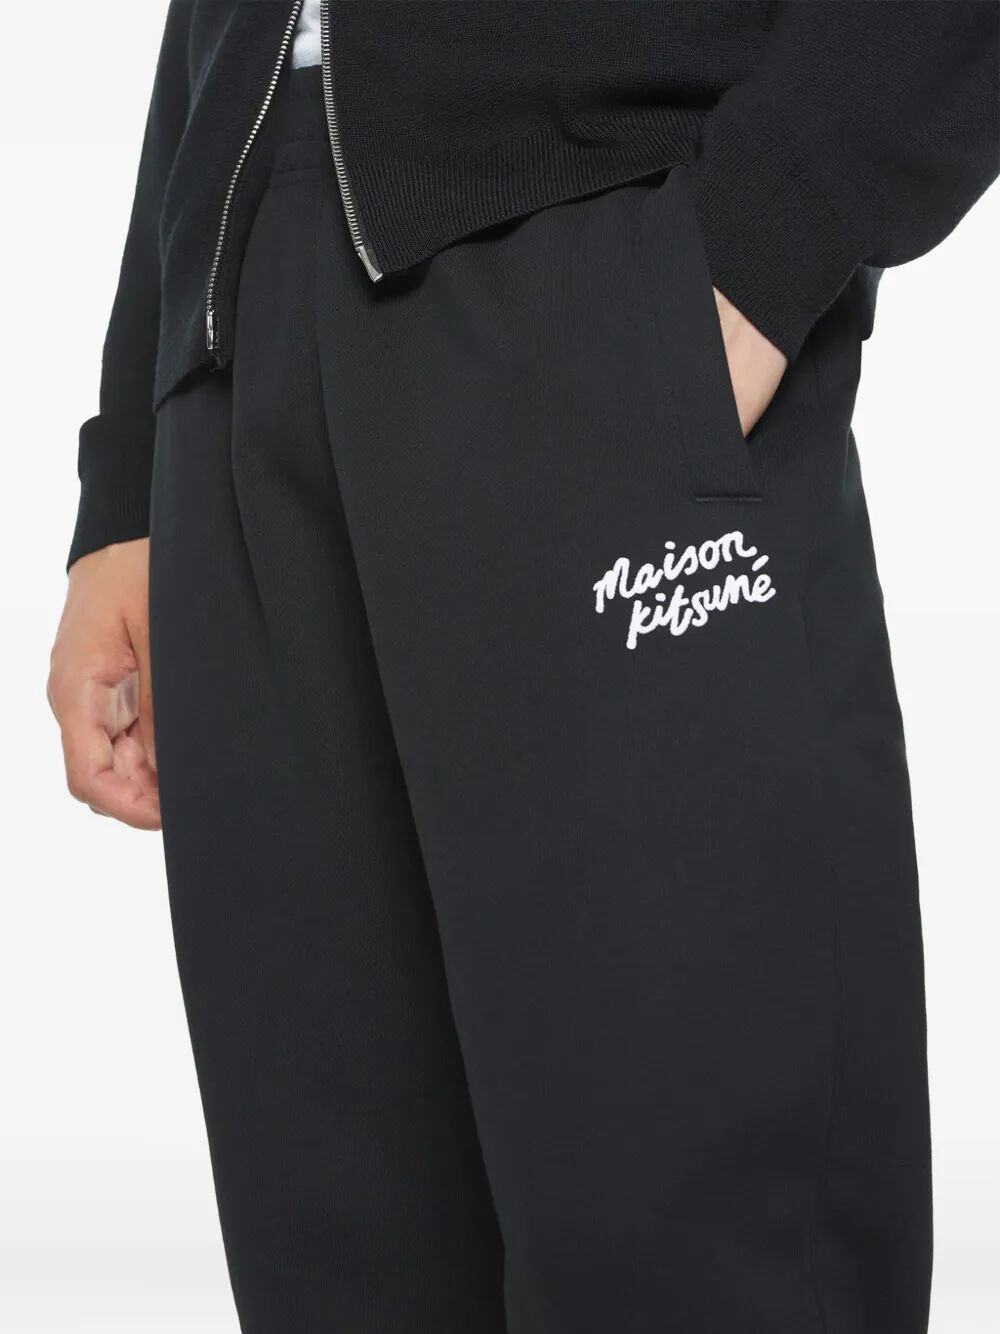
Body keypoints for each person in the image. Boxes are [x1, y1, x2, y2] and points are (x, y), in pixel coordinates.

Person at [47, 3, 998, 1331]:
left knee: (690, 1250)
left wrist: (775, 225)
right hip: (242, 328)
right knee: (340, 1258)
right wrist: (131, 473)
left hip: (594, 253)